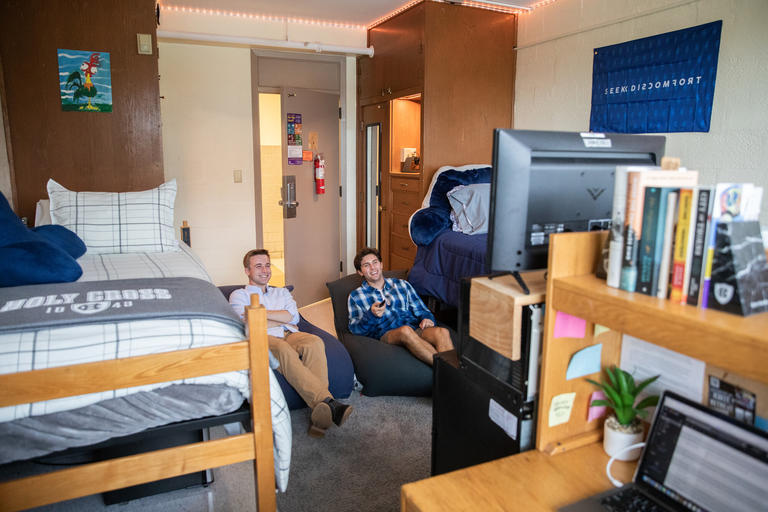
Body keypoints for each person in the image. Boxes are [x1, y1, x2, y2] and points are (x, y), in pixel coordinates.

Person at [230, 249, 352, 437]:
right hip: (262, 337)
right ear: (247, 271)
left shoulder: (281, 292)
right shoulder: (239, 295)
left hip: (290, 333)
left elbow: (293, 317)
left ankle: (322, 413)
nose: (265, 270)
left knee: (314, 342)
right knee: (283, 349)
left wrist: (260, 314)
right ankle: (328, 404)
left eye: (268, 265)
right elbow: (245, 323)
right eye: (258, 266)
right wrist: (280, 317)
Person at [348, 247, 453, 366]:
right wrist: (371, 315)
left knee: (442, 332)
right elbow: (355, 329)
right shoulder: (356, 296)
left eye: (375, 262)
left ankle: (452, 374)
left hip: (414, 328)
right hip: (386, 334)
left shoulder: (402, 284)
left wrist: (427, 318)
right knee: (405, 331)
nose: (373, 268)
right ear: (360, 272)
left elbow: (422, 310)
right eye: (366, 265)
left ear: (381, 265)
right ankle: (448, 372)